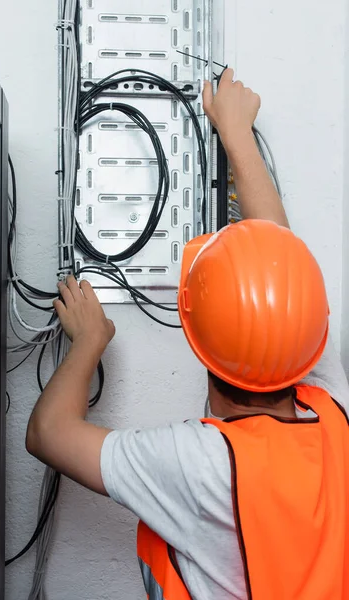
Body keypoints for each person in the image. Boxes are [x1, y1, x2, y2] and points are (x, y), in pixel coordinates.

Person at [26, 69, 349, 599]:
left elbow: (46, 434)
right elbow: (279, 272)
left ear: (198, 337)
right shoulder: (333, 414)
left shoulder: (201, 467)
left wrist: (88, 341)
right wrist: (237, 133)